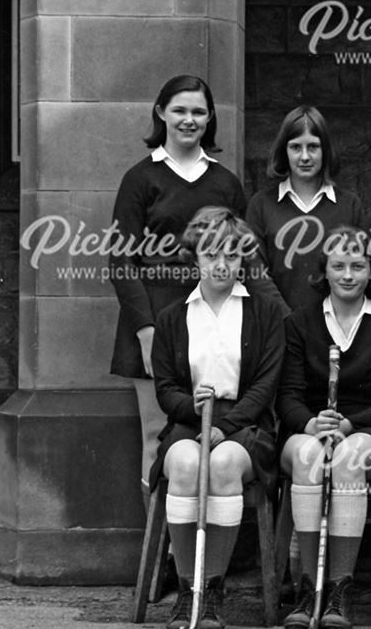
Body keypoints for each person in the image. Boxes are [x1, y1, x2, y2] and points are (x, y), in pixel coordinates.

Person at [109, 75, 265, 507]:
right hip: (155, 319)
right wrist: (144, 329)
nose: (188, 120)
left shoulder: (225, 182)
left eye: (198, 111)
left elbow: (239, 257)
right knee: (156, 438)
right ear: (161, 113)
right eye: (179, 110)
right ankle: (161, 559)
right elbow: (121, 261)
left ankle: (209, 554)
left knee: (212, 437)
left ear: (210, 118)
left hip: (216, 320)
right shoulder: (140, 178)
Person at [151, 207, 286, 629]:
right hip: (189, 423)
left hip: (246, 427)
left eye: (231, 254)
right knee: (187, 466)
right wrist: (192, 408)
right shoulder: (174, 317)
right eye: (211, 254)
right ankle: (188, 589)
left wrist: (225, 428)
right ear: (196, 258)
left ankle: (212, 589)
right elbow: (165, 387)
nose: (221, 264)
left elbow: (266, 385)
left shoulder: (264, 314)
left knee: (225, 464)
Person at [276, 226, 371, 629]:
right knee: (307, 456)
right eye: (339, 266)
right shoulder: (300, 322)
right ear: (325, 272)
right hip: (313, 427)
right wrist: (311, 423)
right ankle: (308, 586)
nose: (348, 274)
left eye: (358, 266)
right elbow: (288, 395)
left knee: (349, 456)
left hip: (370, 429)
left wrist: (351, 424)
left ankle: (338, 589)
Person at [246, 105, 365, 310]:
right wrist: (287, 320)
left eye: (313, 147)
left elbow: (359, 271)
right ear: (284, 150)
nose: (304, 157)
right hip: (277, 327)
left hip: (335, 328)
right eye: (295, 147)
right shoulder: (261, 204)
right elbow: (254, 271)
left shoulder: (349, 205)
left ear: (325, 150)